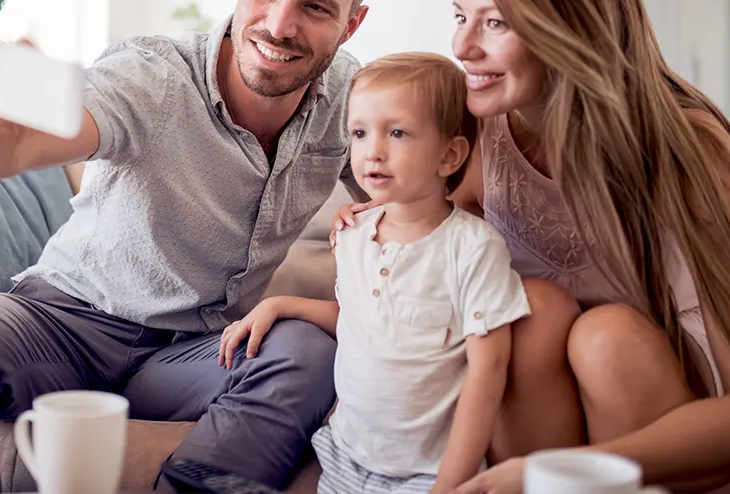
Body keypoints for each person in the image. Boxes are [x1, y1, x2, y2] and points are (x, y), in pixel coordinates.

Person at [0, 0, 373, 494]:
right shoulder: (153, 74)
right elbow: (48, 133)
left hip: (197, 353)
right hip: (65, 323)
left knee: (306, 352)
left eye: (316, 6)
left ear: (352, 21)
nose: (278, 24)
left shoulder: (352, 97)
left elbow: (420, 190)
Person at [333, 0, 730, 494]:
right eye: (460, 17)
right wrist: (366, 221)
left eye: (494, 22)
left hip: (665, 421)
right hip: (541, 437)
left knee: (605, 337)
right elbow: (431, 263)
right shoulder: (482, 135)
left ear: (572, 27)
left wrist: (548, 473)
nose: (460, 47)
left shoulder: (686, 147)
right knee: (533, 309)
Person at [221, 53, 531, 494]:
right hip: (344, 454)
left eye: (398, 132)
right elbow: (365, 319)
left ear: (449, 155)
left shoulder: (473, 248)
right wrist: (280, 304)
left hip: (427, 471)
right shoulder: (352, 233)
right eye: (360, 133)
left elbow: (488, 371)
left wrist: (450, 483)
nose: (373, 151)